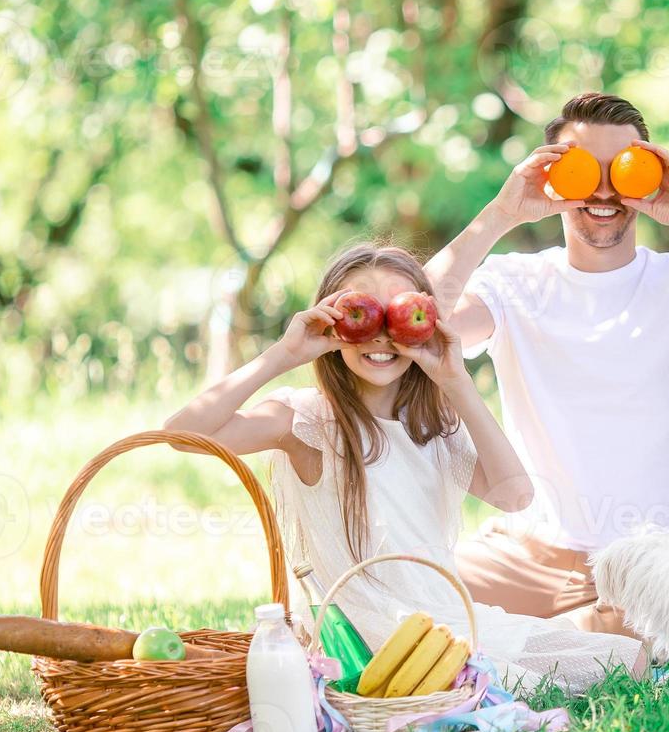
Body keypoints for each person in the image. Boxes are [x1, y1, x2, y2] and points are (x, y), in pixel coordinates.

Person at [164, 243, 644, 693]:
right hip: (365, 639)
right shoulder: (305, 421)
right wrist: (283, 356)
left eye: (397, 313)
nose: (379, 334)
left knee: (631, 659)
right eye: (360, 311)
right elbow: (182, 435)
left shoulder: (432, 426)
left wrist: (455, 380)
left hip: (444, 623)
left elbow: (515, 495)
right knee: (537, 676)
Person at [427, 92, 669, 635]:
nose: (604, 189)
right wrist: (501, 214)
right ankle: (567, 631)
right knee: (408, 591)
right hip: (533, 556)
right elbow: (418, 322)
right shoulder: (513, 283)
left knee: (633, 636)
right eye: (581, 168)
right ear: (552, 174)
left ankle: (571, 634)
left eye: (623, 169)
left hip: (653, 562)